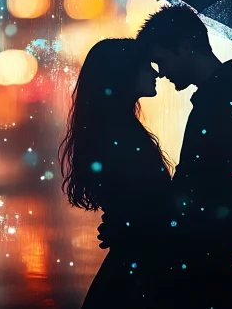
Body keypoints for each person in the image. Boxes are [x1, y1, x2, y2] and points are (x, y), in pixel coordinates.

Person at [98, 2, 232, 308]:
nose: (161, 73)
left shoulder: (225, 104)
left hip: (219, 273)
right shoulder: (222, 98)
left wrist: (135, 226)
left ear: (185, 46)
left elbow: (204, 195)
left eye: (162, 61)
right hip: (222, 268)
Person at [59, 38, 176, 309]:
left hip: (129, 269)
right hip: (139, 278)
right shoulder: (121, 136)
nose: (155, 72)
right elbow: (146, 208)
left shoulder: (111, 130)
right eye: (146, 66)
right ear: (124, 73)